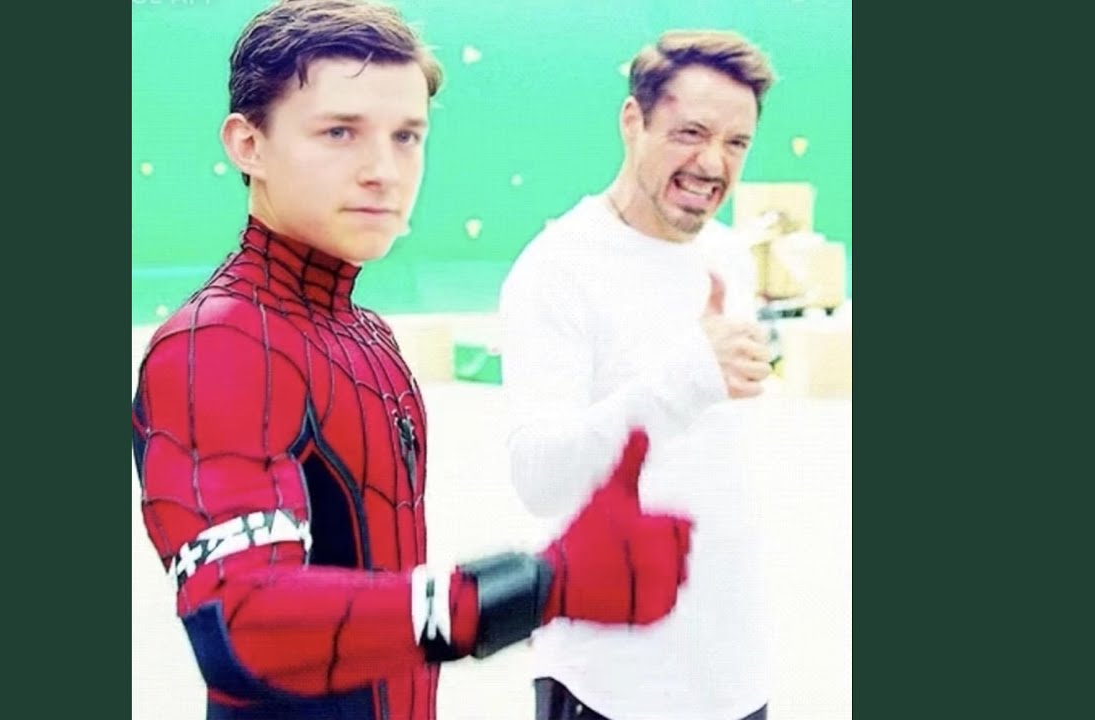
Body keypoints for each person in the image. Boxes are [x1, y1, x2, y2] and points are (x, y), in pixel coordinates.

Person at [130, 2, 693, 719]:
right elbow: (237, 623)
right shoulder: (218, 342)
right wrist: (539, 586)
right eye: (340, 132)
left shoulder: (366, 334)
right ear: (249, 145)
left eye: (406, 136)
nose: (383, 171)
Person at [499, 29, 779, 720]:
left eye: (736, 142)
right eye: (691, 133)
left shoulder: (727, 257)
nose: (712, 163)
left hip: (733, 676)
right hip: (611, 685)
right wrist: (688, 376)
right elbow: (539, 477)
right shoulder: (558, 268)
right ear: (633, 121)